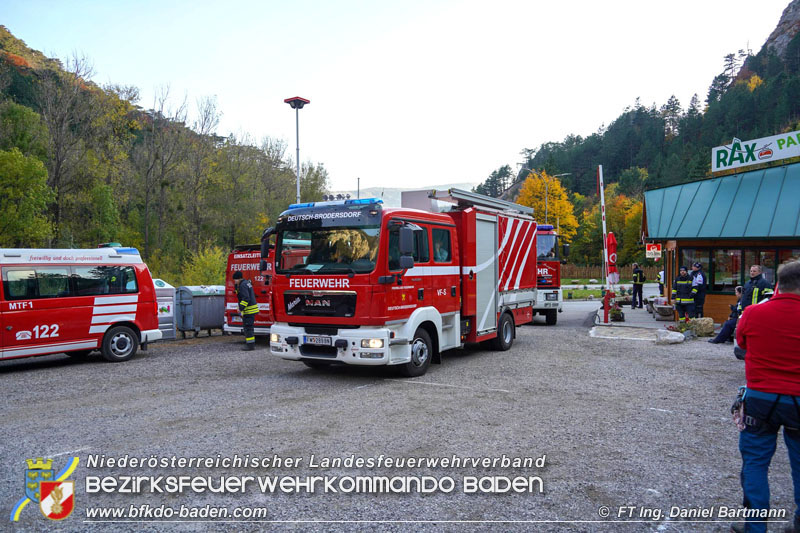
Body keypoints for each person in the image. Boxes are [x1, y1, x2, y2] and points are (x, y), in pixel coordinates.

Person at [733, 261, 800, 533]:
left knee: (756, 464)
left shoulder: (753, 313)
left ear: (777, 284)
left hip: (760, 398)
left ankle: (755, 527)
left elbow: (742, 346)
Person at [233, 271, 259, 351]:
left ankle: (250, 345)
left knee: (248, 328)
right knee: (249, 328)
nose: (235, 281)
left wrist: (240, 308)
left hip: (249, 310)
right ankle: (250, 344)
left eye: (235, 280)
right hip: (250, 310)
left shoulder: (243, 285)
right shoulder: (246, 283)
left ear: (239, 278)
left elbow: (246, 298)